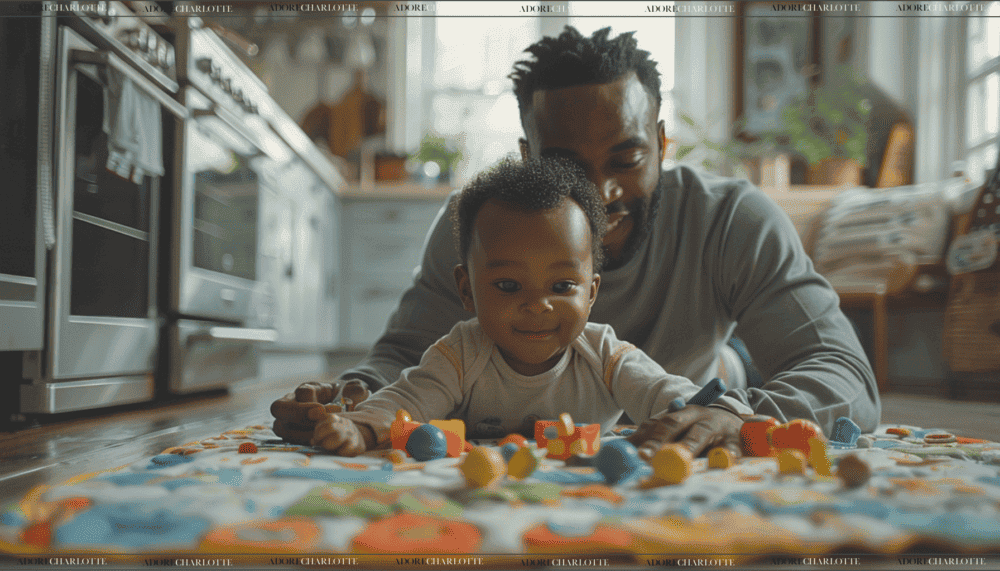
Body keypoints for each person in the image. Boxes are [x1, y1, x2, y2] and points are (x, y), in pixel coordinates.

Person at [272, 26, 881, 457]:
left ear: (663, 145)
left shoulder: (733, 220)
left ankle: (724, 370)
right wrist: (352, 396)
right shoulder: (477, 226)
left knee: (718, 376)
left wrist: (733, 411)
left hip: (690, 377)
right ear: (525, 156)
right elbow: (406, 356)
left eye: (627, 158)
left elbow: (842, 370)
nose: (599, 192)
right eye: (565, 164)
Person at [305, 158, 752, 456]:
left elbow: (668, 393)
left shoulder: (606, 355)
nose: (537, 306)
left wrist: (722, 412)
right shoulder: (460, 354)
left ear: (591, 292)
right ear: (467, 289)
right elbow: (407, 401)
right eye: (507, 284)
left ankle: (734, 363)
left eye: (561, 285)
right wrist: (362, 428)